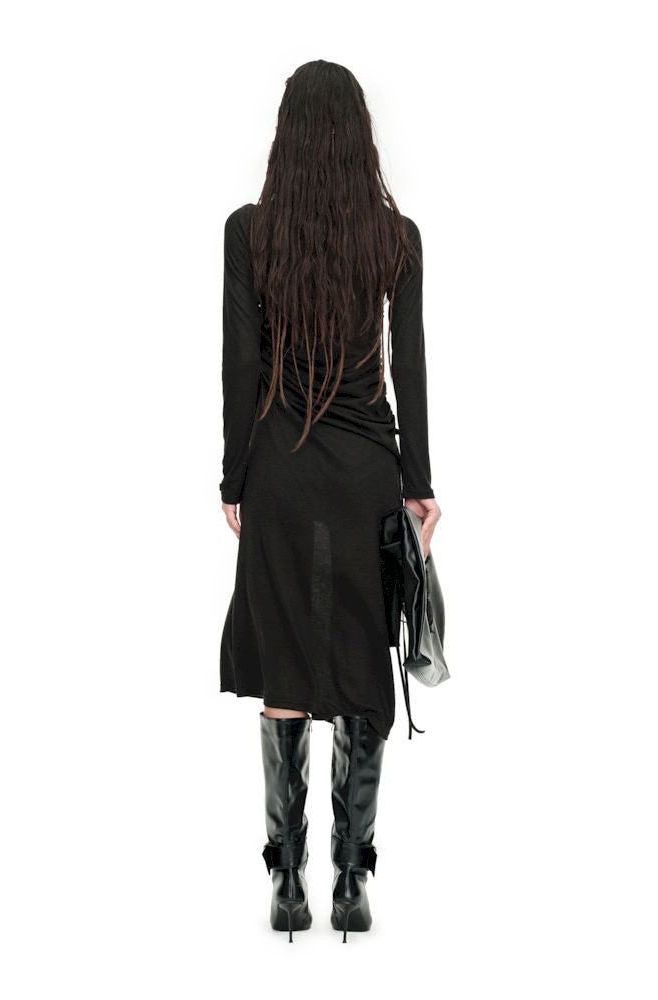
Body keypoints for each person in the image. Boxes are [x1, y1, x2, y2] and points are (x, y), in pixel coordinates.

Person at [218, 59, 441, 942]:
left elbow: (241, 366)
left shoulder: (251, 232)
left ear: (288, 136)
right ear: (358, 137)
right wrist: (418, 484)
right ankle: (351, 880)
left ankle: (286, 885)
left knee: (284, 664)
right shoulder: (395, 238)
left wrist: (235, 476)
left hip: (279, 471)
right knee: (357, 661)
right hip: (365, 475)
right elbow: (410, 367)